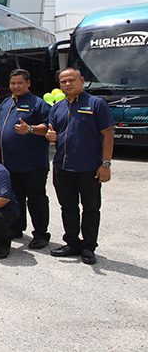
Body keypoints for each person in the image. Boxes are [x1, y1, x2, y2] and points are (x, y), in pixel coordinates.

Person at [46, 67, 115, 265]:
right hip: (63, 167)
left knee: (91, 209)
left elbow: (108, 135)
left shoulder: (96, 104)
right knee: (68, 208)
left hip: (89, 168)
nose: (67, 84)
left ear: (82, 80)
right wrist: (51, 136)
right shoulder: (57, 107)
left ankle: (88, 247)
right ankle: (72, 243)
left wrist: (106, 164)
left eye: (71, 80)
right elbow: (53, 133)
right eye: (63, 81)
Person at [0, 69, 51, 249]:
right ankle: (17, 227)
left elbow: (49, 128)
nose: (16, 86)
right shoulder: (6, 103)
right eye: (13, 83)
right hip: (9, 162)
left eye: (20, 83)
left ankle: (41, 234)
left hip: (32, 164)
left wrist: (31, 129)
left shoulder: (38, 104)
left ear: (28, 83)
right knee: (15, 198)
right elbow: (1, 130)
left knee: (36, 200)